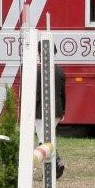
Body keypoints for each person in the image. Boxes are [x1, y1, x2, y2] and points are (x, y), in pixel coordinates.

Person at [35, 44, 67, 179]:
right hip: (57, 110)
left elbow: (36, 94)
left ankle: (56, 163)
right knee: (48, 138)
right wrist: (63, 111)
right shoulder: (60, 71)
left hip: (40, 111)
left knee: (43, 140)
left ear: (40, 54)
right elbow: (63, 94)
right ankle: (53, 167)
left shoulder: (38, 72)